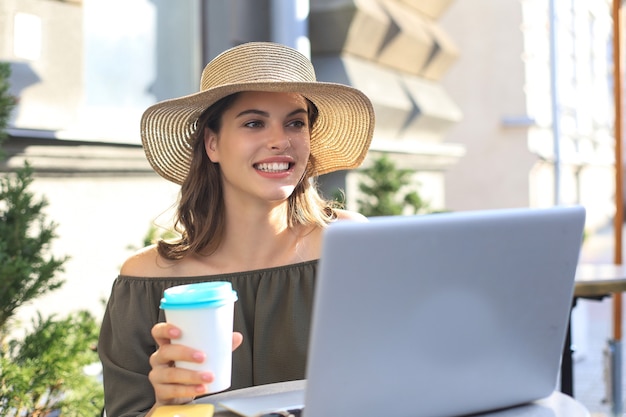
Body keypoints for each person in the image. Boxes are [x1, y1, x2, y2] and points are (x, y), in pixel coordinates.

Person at [98, 41, 375, 417]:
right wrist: (167, 407)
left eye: (296, 122)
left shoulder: (351, 248)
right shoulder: (145, 281)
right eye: (254, 123)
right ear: (212, 143)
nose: (281, 140)